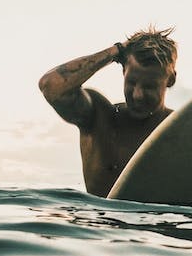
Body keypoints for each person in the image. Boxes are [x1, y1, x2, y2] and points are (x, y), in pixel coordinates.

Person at [39, 27, 178, 197]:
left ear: (171, 80)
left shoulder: (181, 128)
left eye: (149, 86)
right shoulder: (100, 118)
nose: (138, 95)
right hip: (101, 214)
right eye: (131, 83)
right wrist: (117, 50)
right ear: (124, 71)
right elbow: (51, 85)